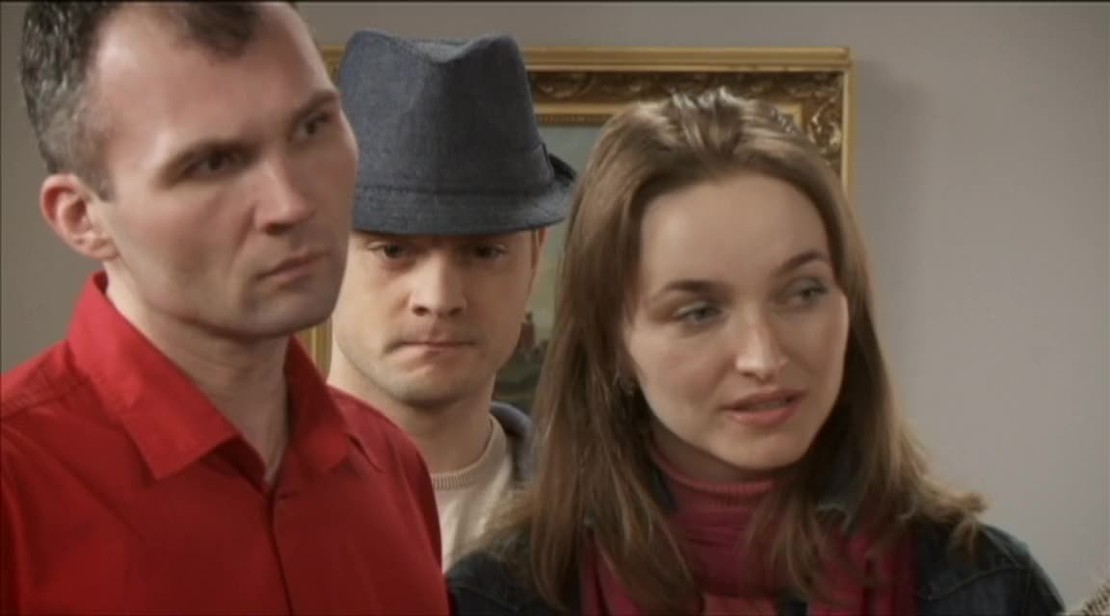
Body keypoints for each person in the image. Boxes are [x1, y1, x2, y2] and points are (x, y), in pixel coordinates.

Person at [446, 88, 1064, 614]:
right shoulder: (497, 599)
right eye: (699, 311)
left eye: (803, 292)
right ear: (612, 344)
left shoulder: (985, 587)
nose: (763, 358)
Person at [1, 3, 448, 614]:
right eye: (213, 163)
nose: (291, 204)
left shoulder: (392, 464)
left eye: (312, 127)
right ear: (82, 218)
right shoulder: (16, 487)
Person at [327, 29, 574, 571]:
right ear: (318, 248)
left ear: (536, 257)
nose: (438, 299)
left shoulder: (600, 526)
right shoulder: (223, 507)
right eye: (393, 250)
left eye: (484, 252)